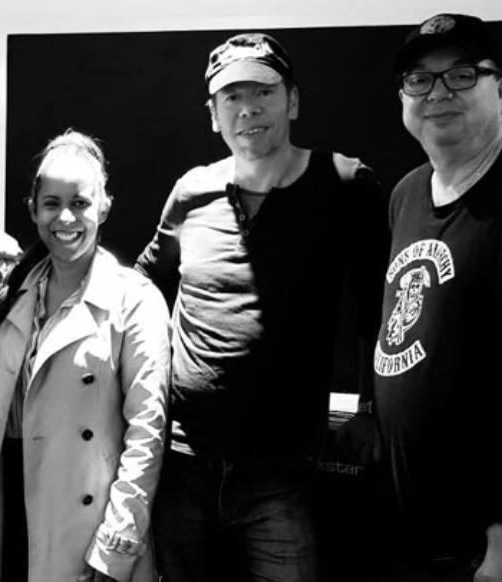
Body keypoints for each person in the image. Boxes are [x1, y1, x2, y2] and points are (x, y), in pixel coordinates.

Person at [134, 33, 388, 581]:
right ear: (213, 115)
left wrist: (371, 408)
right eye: (232, 97)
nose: (247, 109)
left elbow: (381, 305)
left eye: (263, 92)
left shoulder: (345, 184)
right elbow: (140, 289)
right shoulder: (191, 192)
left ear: (292, 101)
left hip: (283, 469)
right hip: (181, 462)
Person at [0, 130, 170, 582]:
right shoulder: (11, 295)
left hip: (88, 524)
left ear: (104, 206)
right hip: (12, 504)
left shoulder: (135, 300)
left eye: (80, 203)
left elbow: (147, 432)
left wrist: (117, 543)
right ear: (32, 209)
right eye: (52, 203)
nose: (65, 217)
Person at [371, 13, 502, 581]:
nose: (438, 93)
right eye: (420, 79)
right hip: (409, 529)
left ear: (499, 84)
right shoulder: (406, 194)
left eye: (462, 74)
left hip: (483, 548)